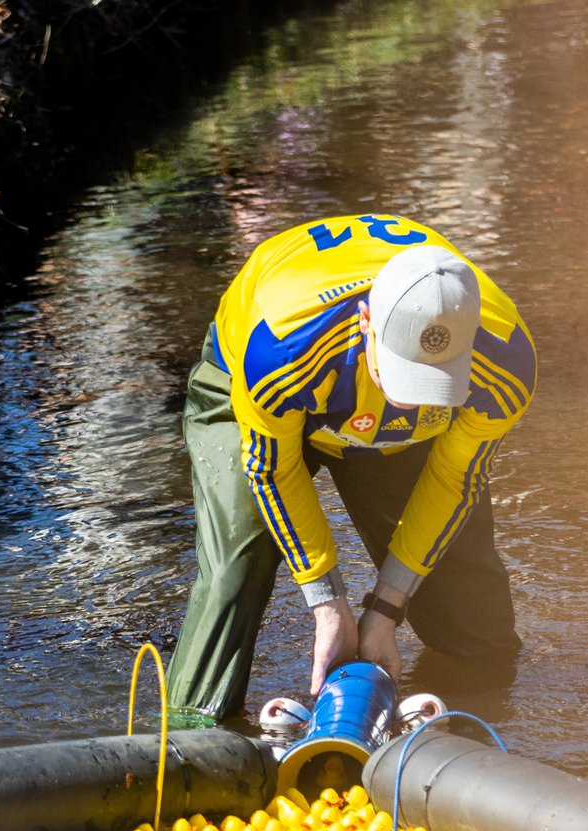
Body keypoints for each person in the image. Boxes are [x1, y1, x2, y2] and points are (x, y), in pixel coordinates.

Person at [165, 213, 538, 718]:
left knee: (469, 612)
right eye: (405, 375)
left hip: (370, 418)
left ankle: (485, 725)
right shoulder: (280, 349)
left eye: (436, 379)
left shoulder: (507, 365)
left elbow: (455, 478)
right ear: (366, 323)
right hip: (263, 392)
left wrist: (385, 610)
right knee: (239, 567)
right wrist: (329, 606)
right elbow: (272, 472)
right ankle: (191, 740)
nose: (410, 402)